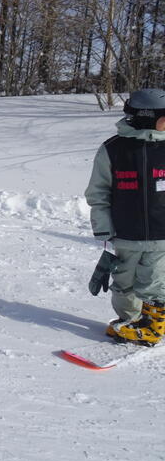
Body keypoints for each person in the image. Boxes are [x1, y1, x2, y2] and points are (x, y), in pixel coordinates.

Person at [85, 88, 165, 345]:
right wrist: (103, 228)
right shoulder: (114, 149)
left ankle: (153, 327)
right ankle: (130, 322)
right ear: (148, 117)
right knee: (123, 284)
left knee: (154, 282)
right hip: (125, 234)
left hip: (162, 236)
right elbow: (98, 192)